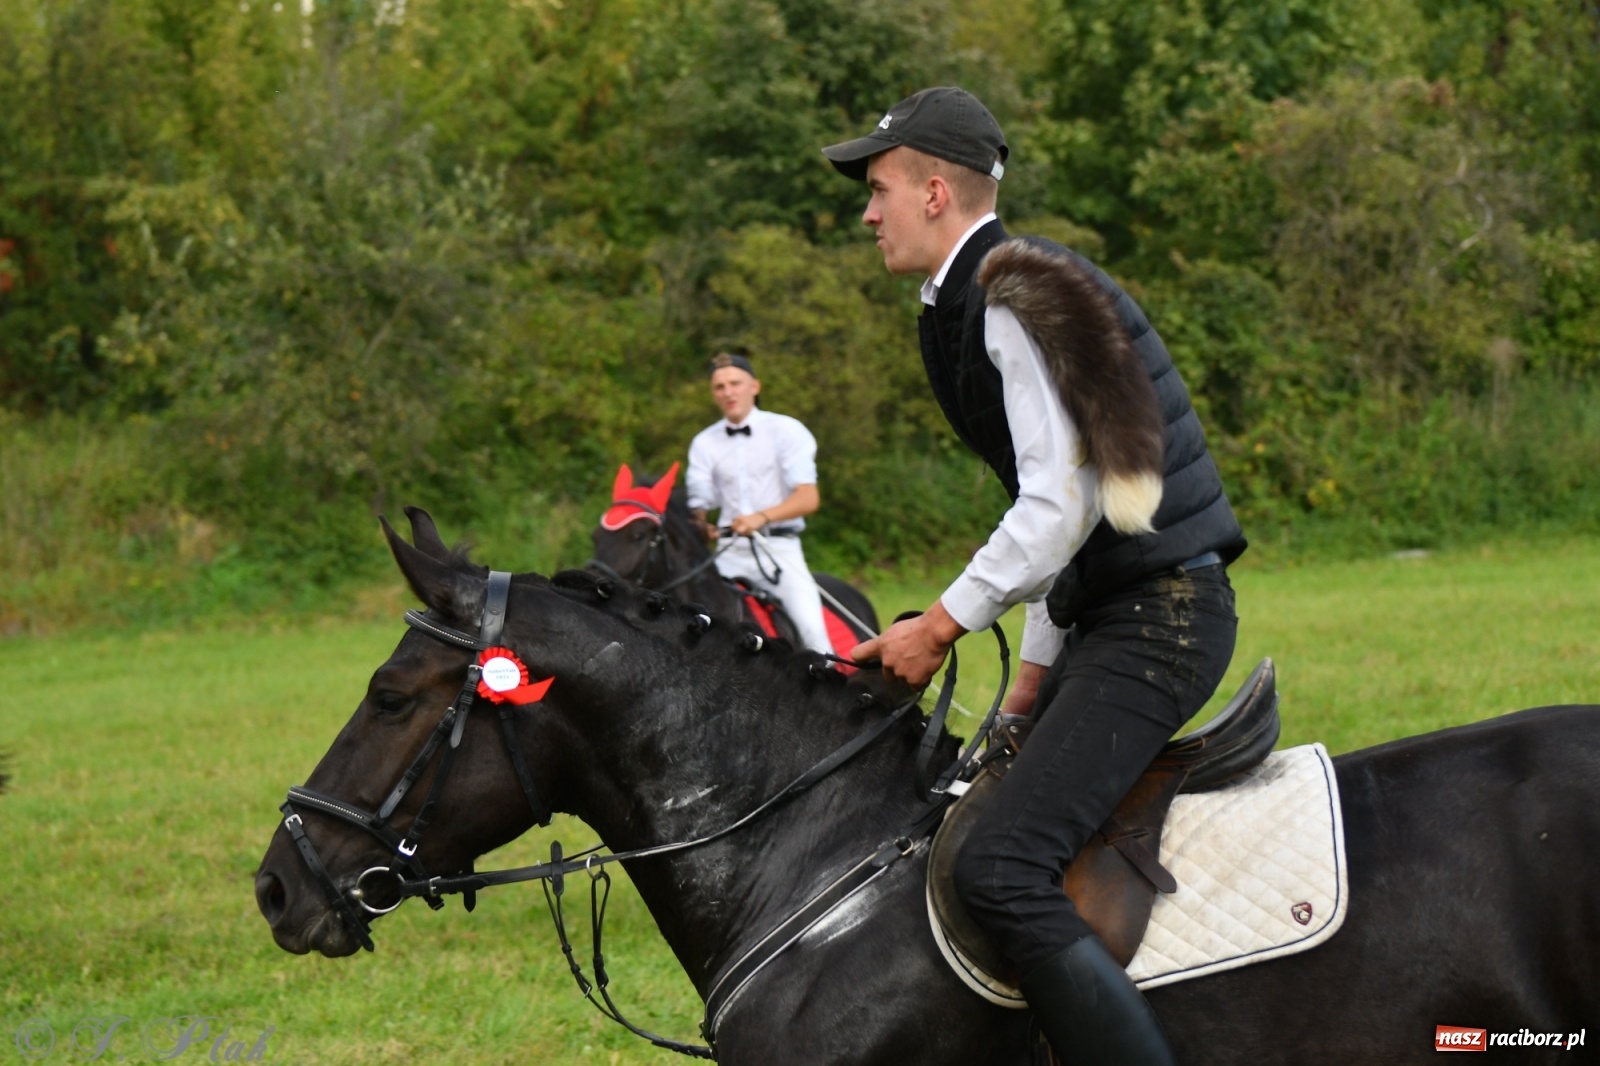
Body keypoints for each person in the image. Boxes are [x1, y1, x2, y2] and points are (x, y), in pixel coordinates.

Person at [826, 88, 1247, 1064]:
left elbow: (1056, 512)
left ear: (935, 191)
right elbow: (1070, 510)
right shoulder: (983, 291)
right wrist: (1028, 681)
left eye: (879, 187)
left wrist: (938, 625)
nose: (866, 211)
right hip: (1120, 609)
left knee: (1000, 865)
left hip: (1162, 616)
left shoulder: (1006, 296)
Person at [686, 352, 833, 654]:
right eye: (719, 387)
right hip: (728, 555)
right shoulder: (703, 442)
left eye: (735, 383)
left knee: (812, 634)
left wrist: (761, 517)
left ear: (754, 386)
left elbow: (808, 497)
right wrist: (701, 525)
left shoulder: (787, 430)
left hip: (778, 551)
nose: (728, 392)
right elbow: (699, 499)